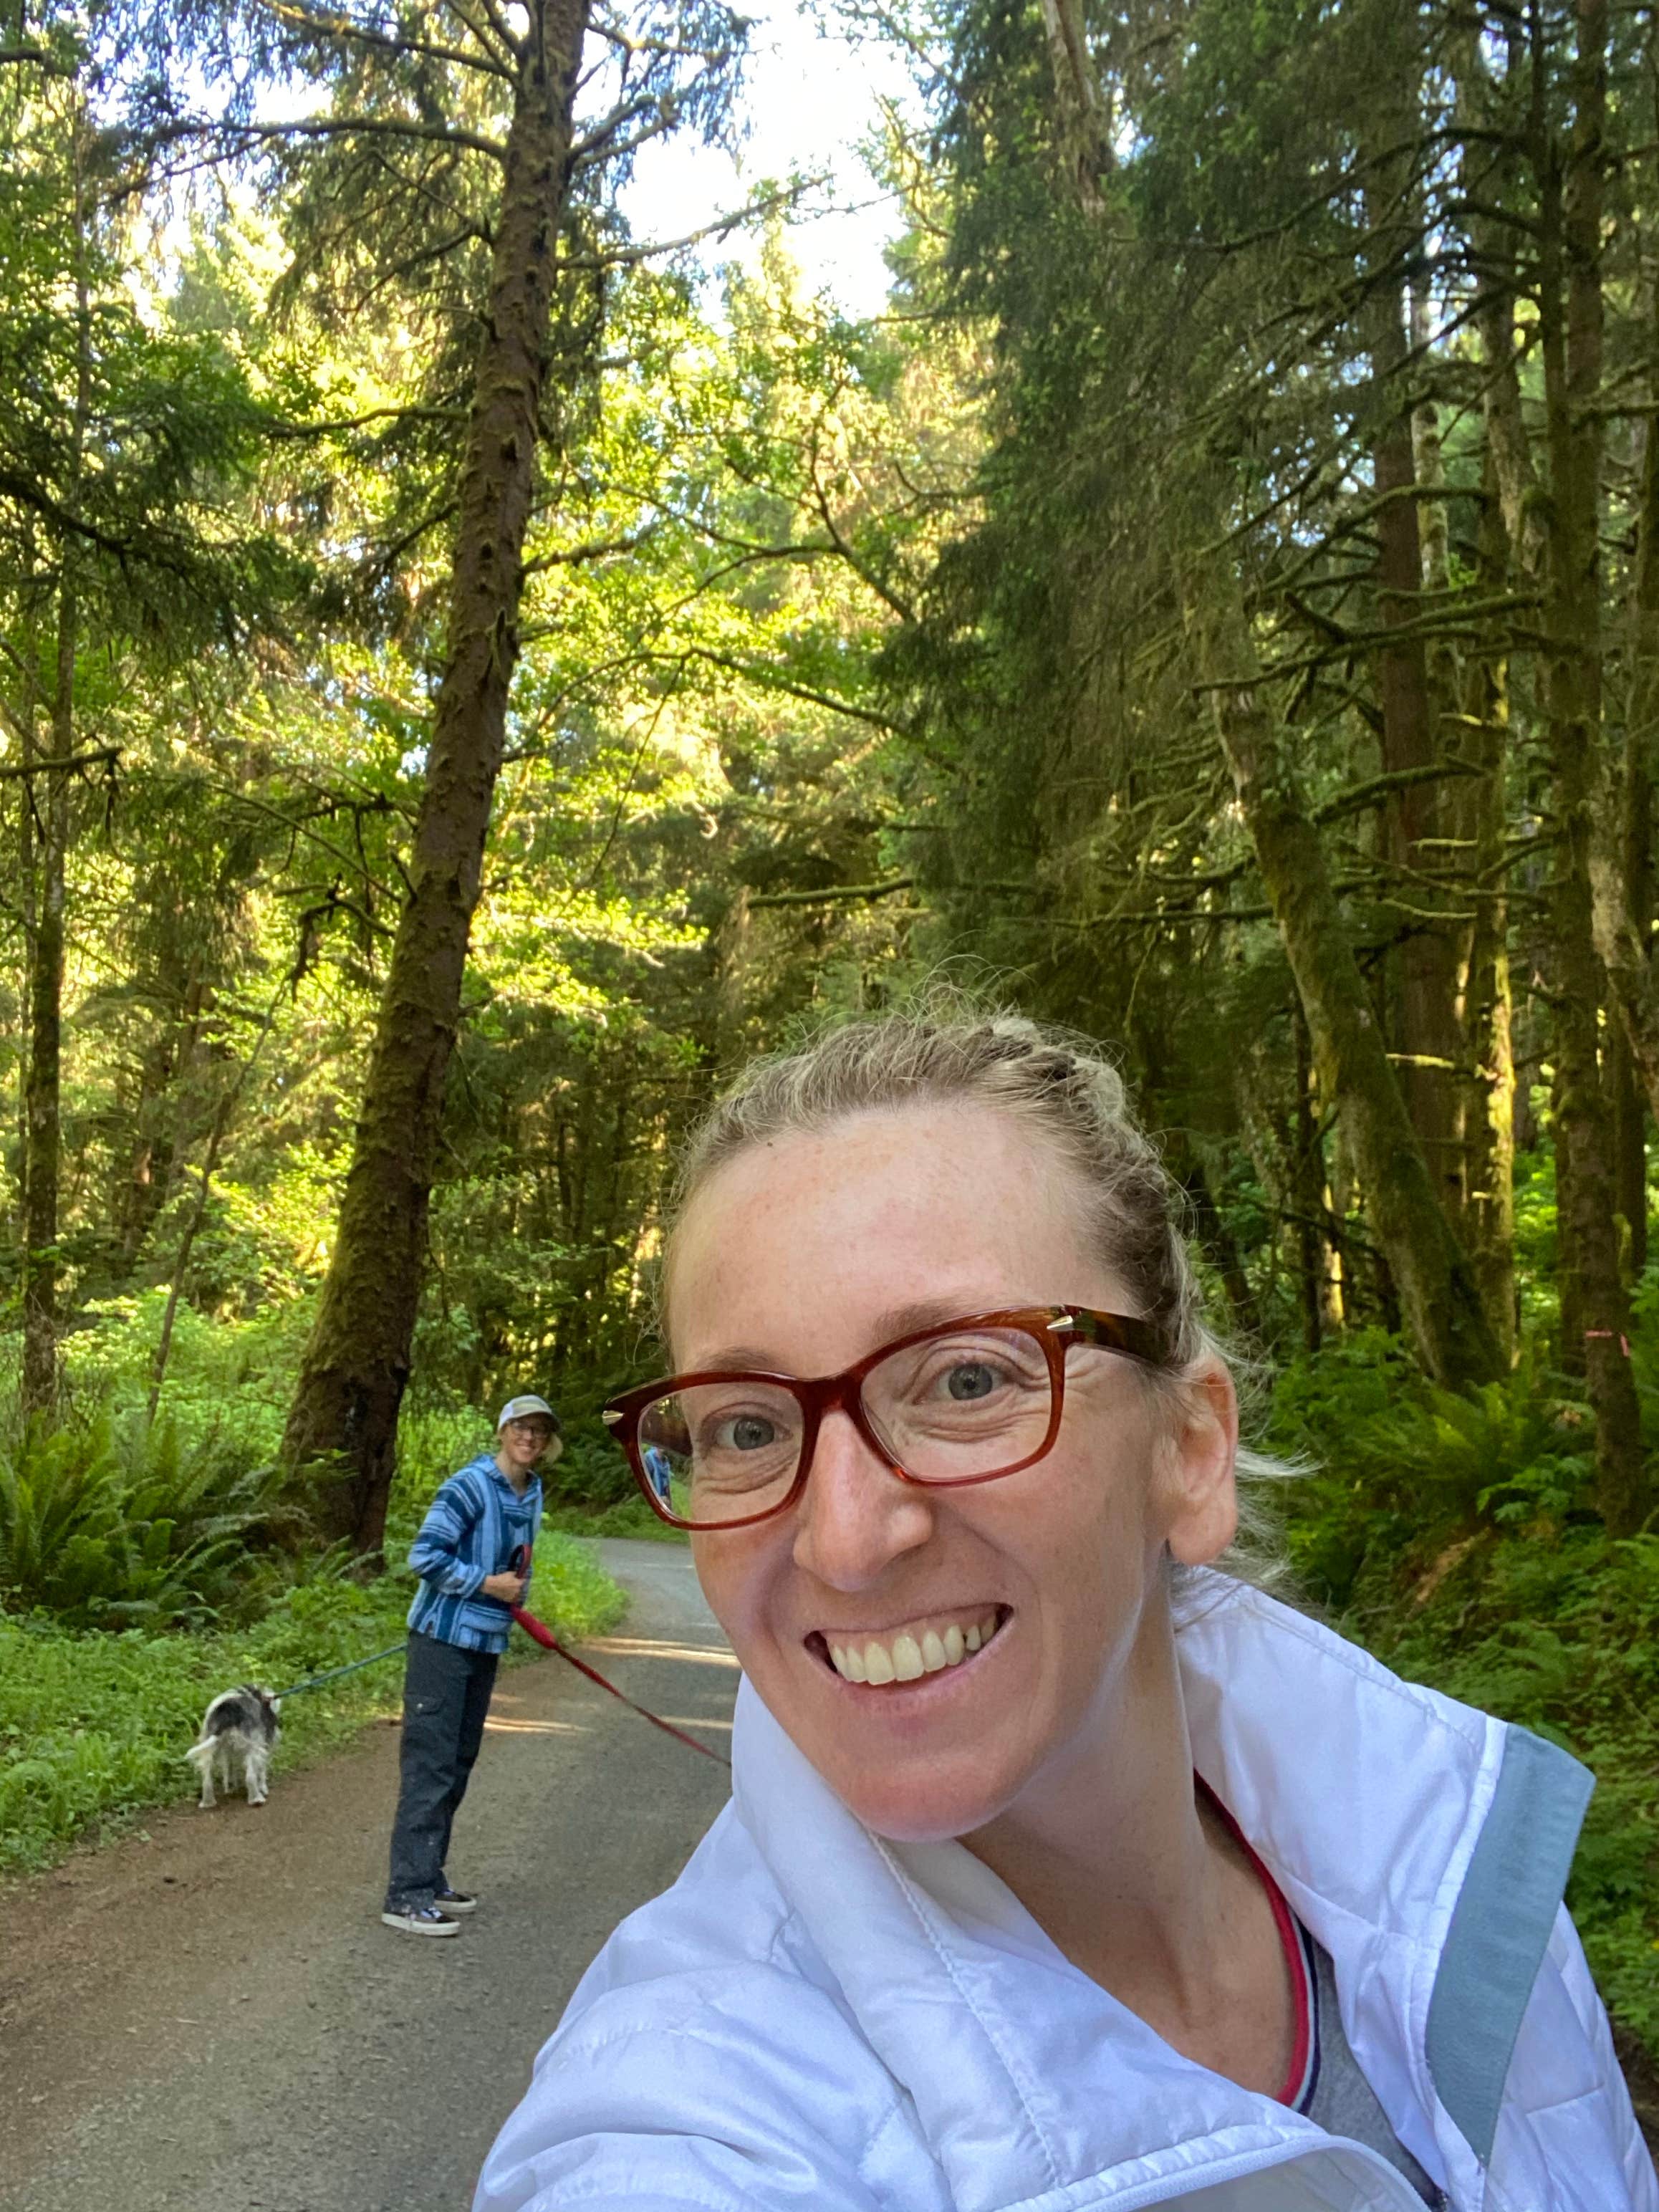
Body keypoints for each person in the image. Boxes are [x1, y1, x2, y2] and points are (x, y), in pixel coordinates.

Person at [473, 1008, 1657, 2208]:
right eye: (744, 1425)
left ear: (1191, 1450)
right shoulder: (690, 2116)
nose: (844, 1537)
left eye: (966, 1377)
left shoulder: (1453, 1879)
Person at [382, 1393, 560, 1937]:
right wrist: (485, 1583)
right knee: (430, 1766)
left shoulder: (531, 1493)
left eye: (538, 1431)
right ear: (502, 1430)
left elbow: (517, 1561)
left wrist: (512, 1594)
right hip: (441, 1640)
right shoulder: (468, 1486)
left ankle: (429, 1878)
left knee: (458, 1762)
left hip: (486, 1643)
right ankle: (405, 1895)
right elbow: (424, 1557)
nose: (528, 1438)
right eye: (520, 1427)